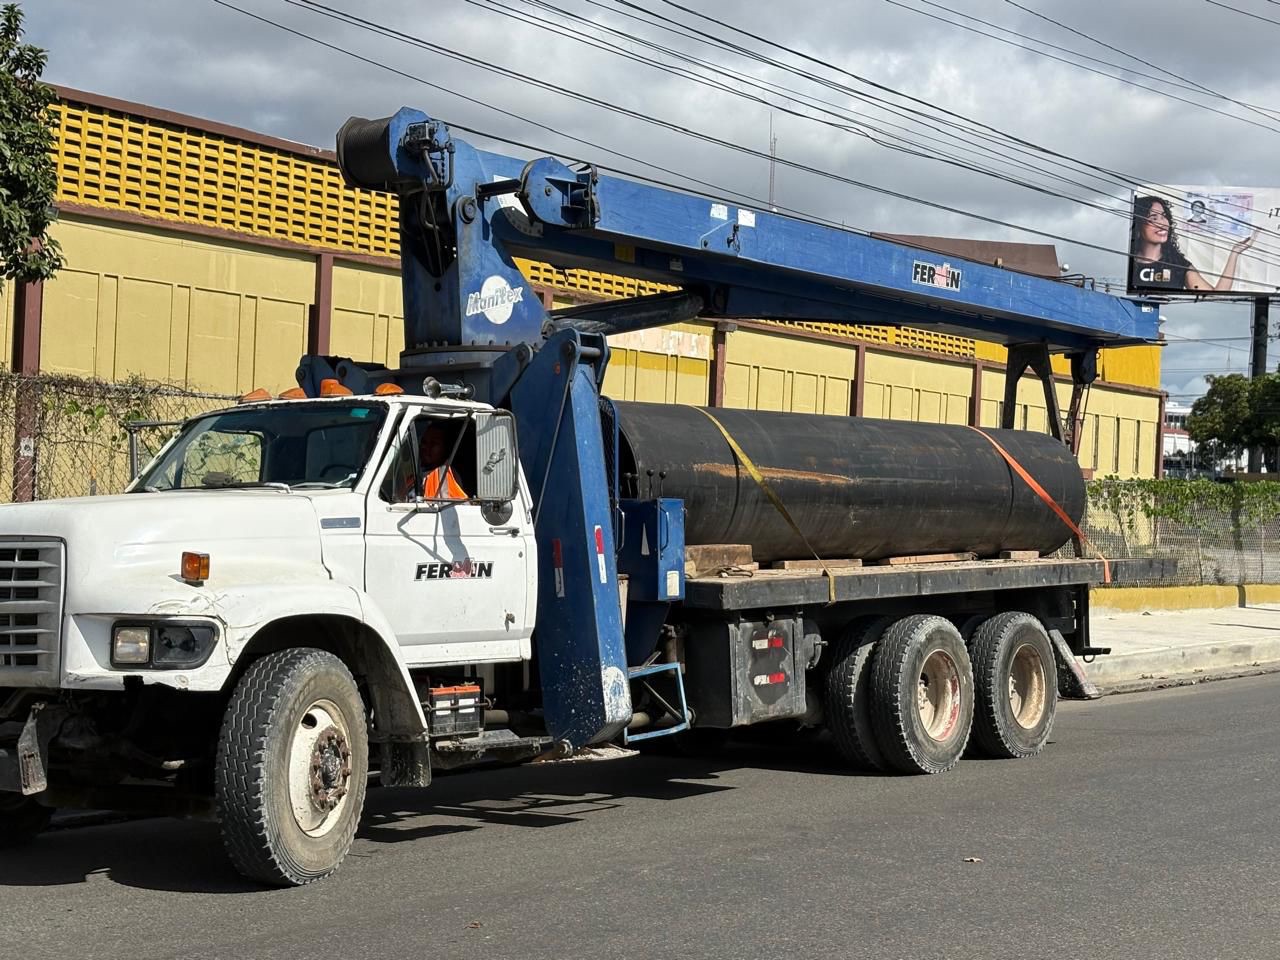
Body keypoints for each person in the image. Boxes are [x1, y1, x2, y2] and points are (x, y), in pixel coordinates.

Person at [1130, 194, 1256, 292]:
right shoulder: (1127, 262)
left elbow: (1214, 295)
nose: (1162, 223)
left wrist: (1235, 252)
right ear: (1139, 224)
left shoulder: (1178, 265)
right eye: (1153, 218)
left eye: (1164, 216)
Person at [419, 422, 467, 500]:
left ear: (445, 448)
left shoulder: (446, 475)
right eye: (424, 442)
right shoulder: (416, 473)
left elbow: (453, 505)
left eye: (434, 443)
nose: (427, 447)